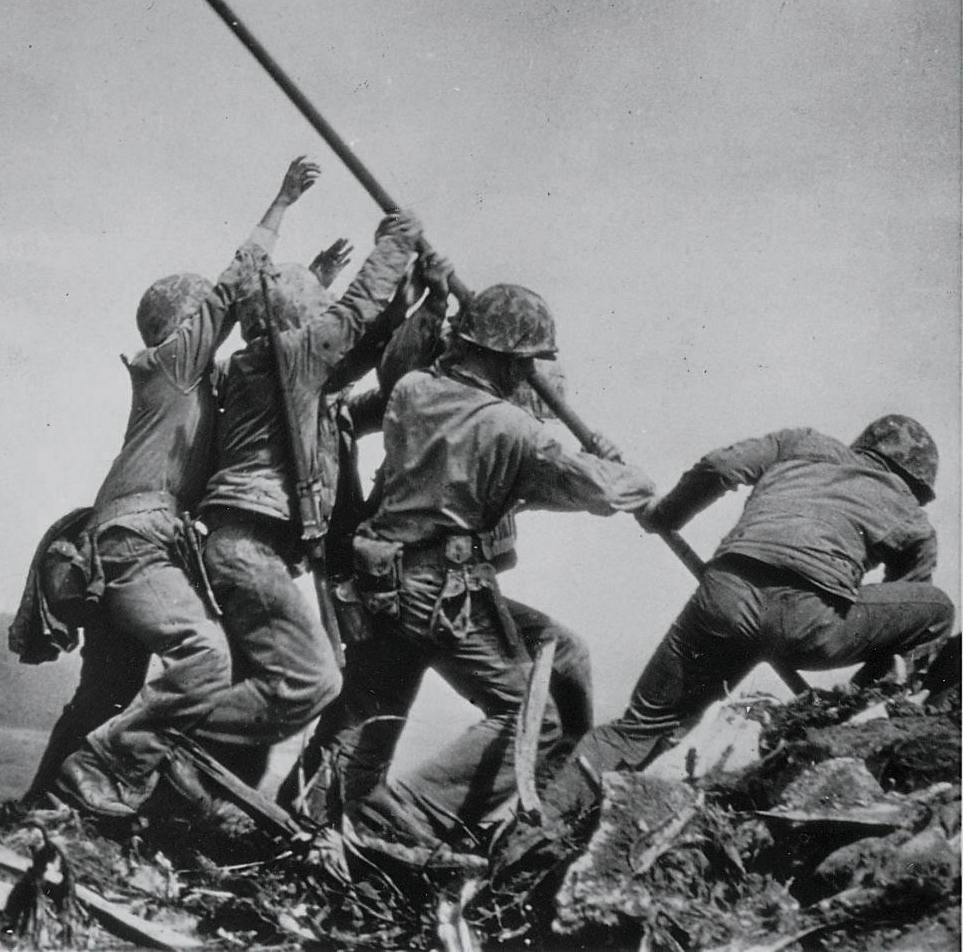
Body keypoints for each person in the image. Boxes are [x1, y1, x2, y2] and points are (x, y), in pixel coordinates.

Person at [501, 413, 956, 867]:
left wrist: (665, 515)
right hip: (811, 624)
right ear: (915, 482)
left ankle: (536, 829)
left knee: (638, 727)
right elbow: (901, 612)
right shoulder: (913, 520)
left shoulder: (801, 441)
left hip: (724, 598)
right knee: (937, 609)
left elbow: (720, 468)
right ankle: (859, 712)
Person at [31, 157, 322, 816]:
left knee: (107, 691)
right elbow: (233, 286)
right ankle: (109, 785)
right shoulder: (171, 365)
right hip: (137, 541)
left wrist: (310, 290)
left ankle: (41, 809)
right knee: (205, 658)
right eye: (204, 321)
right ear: (181, 325)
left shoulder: (196, 388)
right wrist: (281, 202)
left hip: (125, 546)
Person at [346, 283, 656, 848]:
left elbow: (484, 474)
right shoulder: (512, 428)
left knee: (562, 654)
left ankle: (554, 793)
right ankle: (415, 814)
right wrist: (624, 470)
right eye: (525, 364)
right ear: (506, 359)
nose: (528, 376)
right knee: (532, 718)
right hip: (441, 589)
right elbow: (606, 492)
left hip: (384, 578)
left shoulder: (414, 391)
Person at [129, 208, 423, 792]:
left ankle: (181, 789)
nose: (325, 315)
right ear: (297, 320)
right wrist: (394, 245)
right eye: (315, 308)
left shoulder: (272, 367)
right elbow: (352, 318)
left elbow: (358, 351)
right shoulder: (285, 359)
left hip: (248, 549)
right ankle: (149, 739)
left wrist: (408, 307)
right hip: (247, 550)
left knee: (275, 688)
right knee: (310, 681)